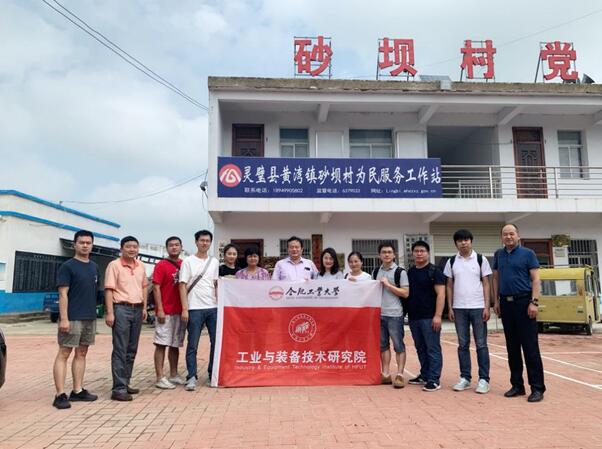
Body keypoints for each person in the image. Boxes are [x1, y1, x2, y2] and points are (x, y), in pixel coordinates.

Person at [492, 223, 545, 402]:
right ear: (501, 237)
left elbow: (536, 279)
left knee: (530, 347)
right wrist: (496, 301)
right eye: (505, 234)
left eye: (511, 234)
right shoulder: (498, 255)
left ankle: (537, 388)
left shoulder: (528, 254)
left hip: (524, 303)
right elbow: (496, 279)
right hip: (506, 305)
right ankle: (517, 385)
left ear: (518, 235)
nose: (508, 237)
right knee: (512, 347)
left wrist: (534, 302)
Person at [52, 230, 100, 409]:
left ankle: (77, 390)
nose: (85, 245)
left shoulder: (94, 267)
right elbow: (63, 294)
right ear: (74, 245)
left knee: (82, 353)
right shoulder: (68, 266)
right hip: (72, 318)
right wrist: (64, 318)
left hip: (89, 317)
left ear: (92, 245)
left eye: (88, 243)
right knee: (64, 353)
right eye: (82, 242)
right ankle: (60, 394)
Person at [443, 229, 493, 394]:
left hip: (478, 307)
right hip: (459, 308)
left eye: (466, 240)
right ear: (456, 243)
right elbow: (449, 285)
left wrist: (487, 306)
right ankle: (465, 378)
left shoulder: (480, 259)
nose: (463, 243)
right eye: (460, 240)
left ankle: (484, 379)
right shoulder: (451, 261)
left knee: (481, 344)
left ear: (471, 241)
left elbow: (486, 284)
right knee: (463, 345)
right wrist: (450, 307)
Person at [104, 236, 148, 401]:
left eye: (135, 247)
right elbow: (109, 290)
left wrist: (145, 307)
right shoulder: (114, 265)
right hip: (121, 308)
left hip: (137, 309)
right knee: (120, 349)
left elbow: (144, 287)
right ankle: (118, 388)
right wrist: (110, 312)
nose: (132, 249)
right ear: (121, 248)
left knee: (131, 349)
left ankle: (126, 382)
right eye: (128, 246)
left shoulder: (141, 266)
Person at [179, 229, 219, 391]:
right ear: (196, 242)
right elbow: (182, 285)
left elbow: (215, 284)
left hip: (213, 308)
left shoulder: (214, 262)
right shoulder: (188, 261)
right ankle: (191, 376)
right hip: (194, 308)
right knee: (192, 344)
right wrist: (185, 308)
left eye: (207, 241)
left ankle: (212, 374)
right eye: (202, 240)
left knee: (215, 343)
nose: (204, 243)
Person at [406, 240, 446, 392]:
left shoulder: (435, 271)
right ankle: (424, 374)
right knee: (420, 348)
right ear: (412, 254)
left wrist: (438, 315)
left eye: (422, 251)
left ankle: (434, 379)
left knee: (432, 348)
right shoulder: (410, 272)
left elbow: (441, 294)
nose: (419, 254)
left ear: (428, 253)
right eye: (416, 251)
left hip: (430, 317)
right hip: (414, 317)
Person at [372, 242, 409, 389]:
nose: (386, 254)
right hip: (379, 314)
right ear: (379, 255)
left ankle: (400, 374)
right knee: (383, 345)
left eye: (389, 252)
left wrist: (388, 285)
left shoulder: (400, 272)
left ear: (394, 255)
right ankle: (386, 373)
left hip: (395, 314)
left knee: (398, 345)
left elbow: (405, 293)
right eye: (384, 252)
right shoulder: (376, 271)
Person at [152, 236, 186, 390]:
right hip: (165, 311)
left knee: (175, 344)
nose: (174, 247)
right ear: (167, 248)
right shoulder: (161, 265)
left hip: (179, 311)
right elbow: (156, 287)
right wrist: (160, 309)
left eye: (177, 245)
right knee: (161, 344)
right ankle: (160, 377)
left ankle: (174, 374)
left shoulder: (184, 264)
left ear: (181, 247)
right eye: (171, 245)